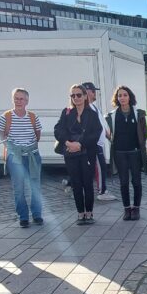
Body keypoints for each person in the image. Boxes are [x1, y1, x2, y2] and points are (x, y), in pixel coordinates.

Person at [55, 84, 103, 225]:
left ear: (84, 96)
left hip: (87, 152)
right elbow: (58, 130)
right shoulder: (66, 112)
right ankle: (80, 213)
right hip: (70, 153)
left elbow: (96, 133)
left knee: (87, 183)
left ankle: (89, 212)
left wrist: (80, 144)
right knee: (76, 183)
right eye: (73, 95)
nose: (76, 98)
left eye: (79, 95)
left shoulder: (92, 114)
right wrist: (68, 143)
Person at [0, 88, 44, 228]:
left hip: (32, 155)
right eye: (16, 98)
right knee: (19, 188)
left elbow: (37, 136)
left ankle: (37, 214)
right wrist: (15, 149)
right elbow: (3, 138)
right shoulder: (5, 117)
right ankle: (23, 217)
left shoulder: (33, 117)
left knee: (35, 186)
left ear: (27, 101)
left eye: (21, 98)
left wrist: (28, 148)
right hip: (15, 157)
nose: (18, 101)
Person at [106, 85, 147, 221]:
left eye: (125, 95)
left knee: (136, 182)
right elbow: (109, 134)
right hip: (119, 153)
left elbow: (144, 133)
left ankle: (136, 208)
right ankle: (126, 209)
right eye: (119, 95)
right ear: (116, 98)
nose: (122, 98)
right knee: (123, 183)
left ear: (130, 97)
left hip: (135, 153)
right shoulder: (111, 115)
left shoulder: (138, 113)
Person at [83, 82, 117, 202]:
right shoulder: (86, 108)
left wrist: (109, 137)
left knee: (93, 168)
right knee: (100, 167)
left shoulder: (94, 107)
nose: (95, 93)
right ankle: (102, 191)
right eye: (93, 91)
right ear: (87, 92)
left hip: (99, 143)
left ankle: (70, 183)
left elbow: (102, 124)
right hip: (94, 144)